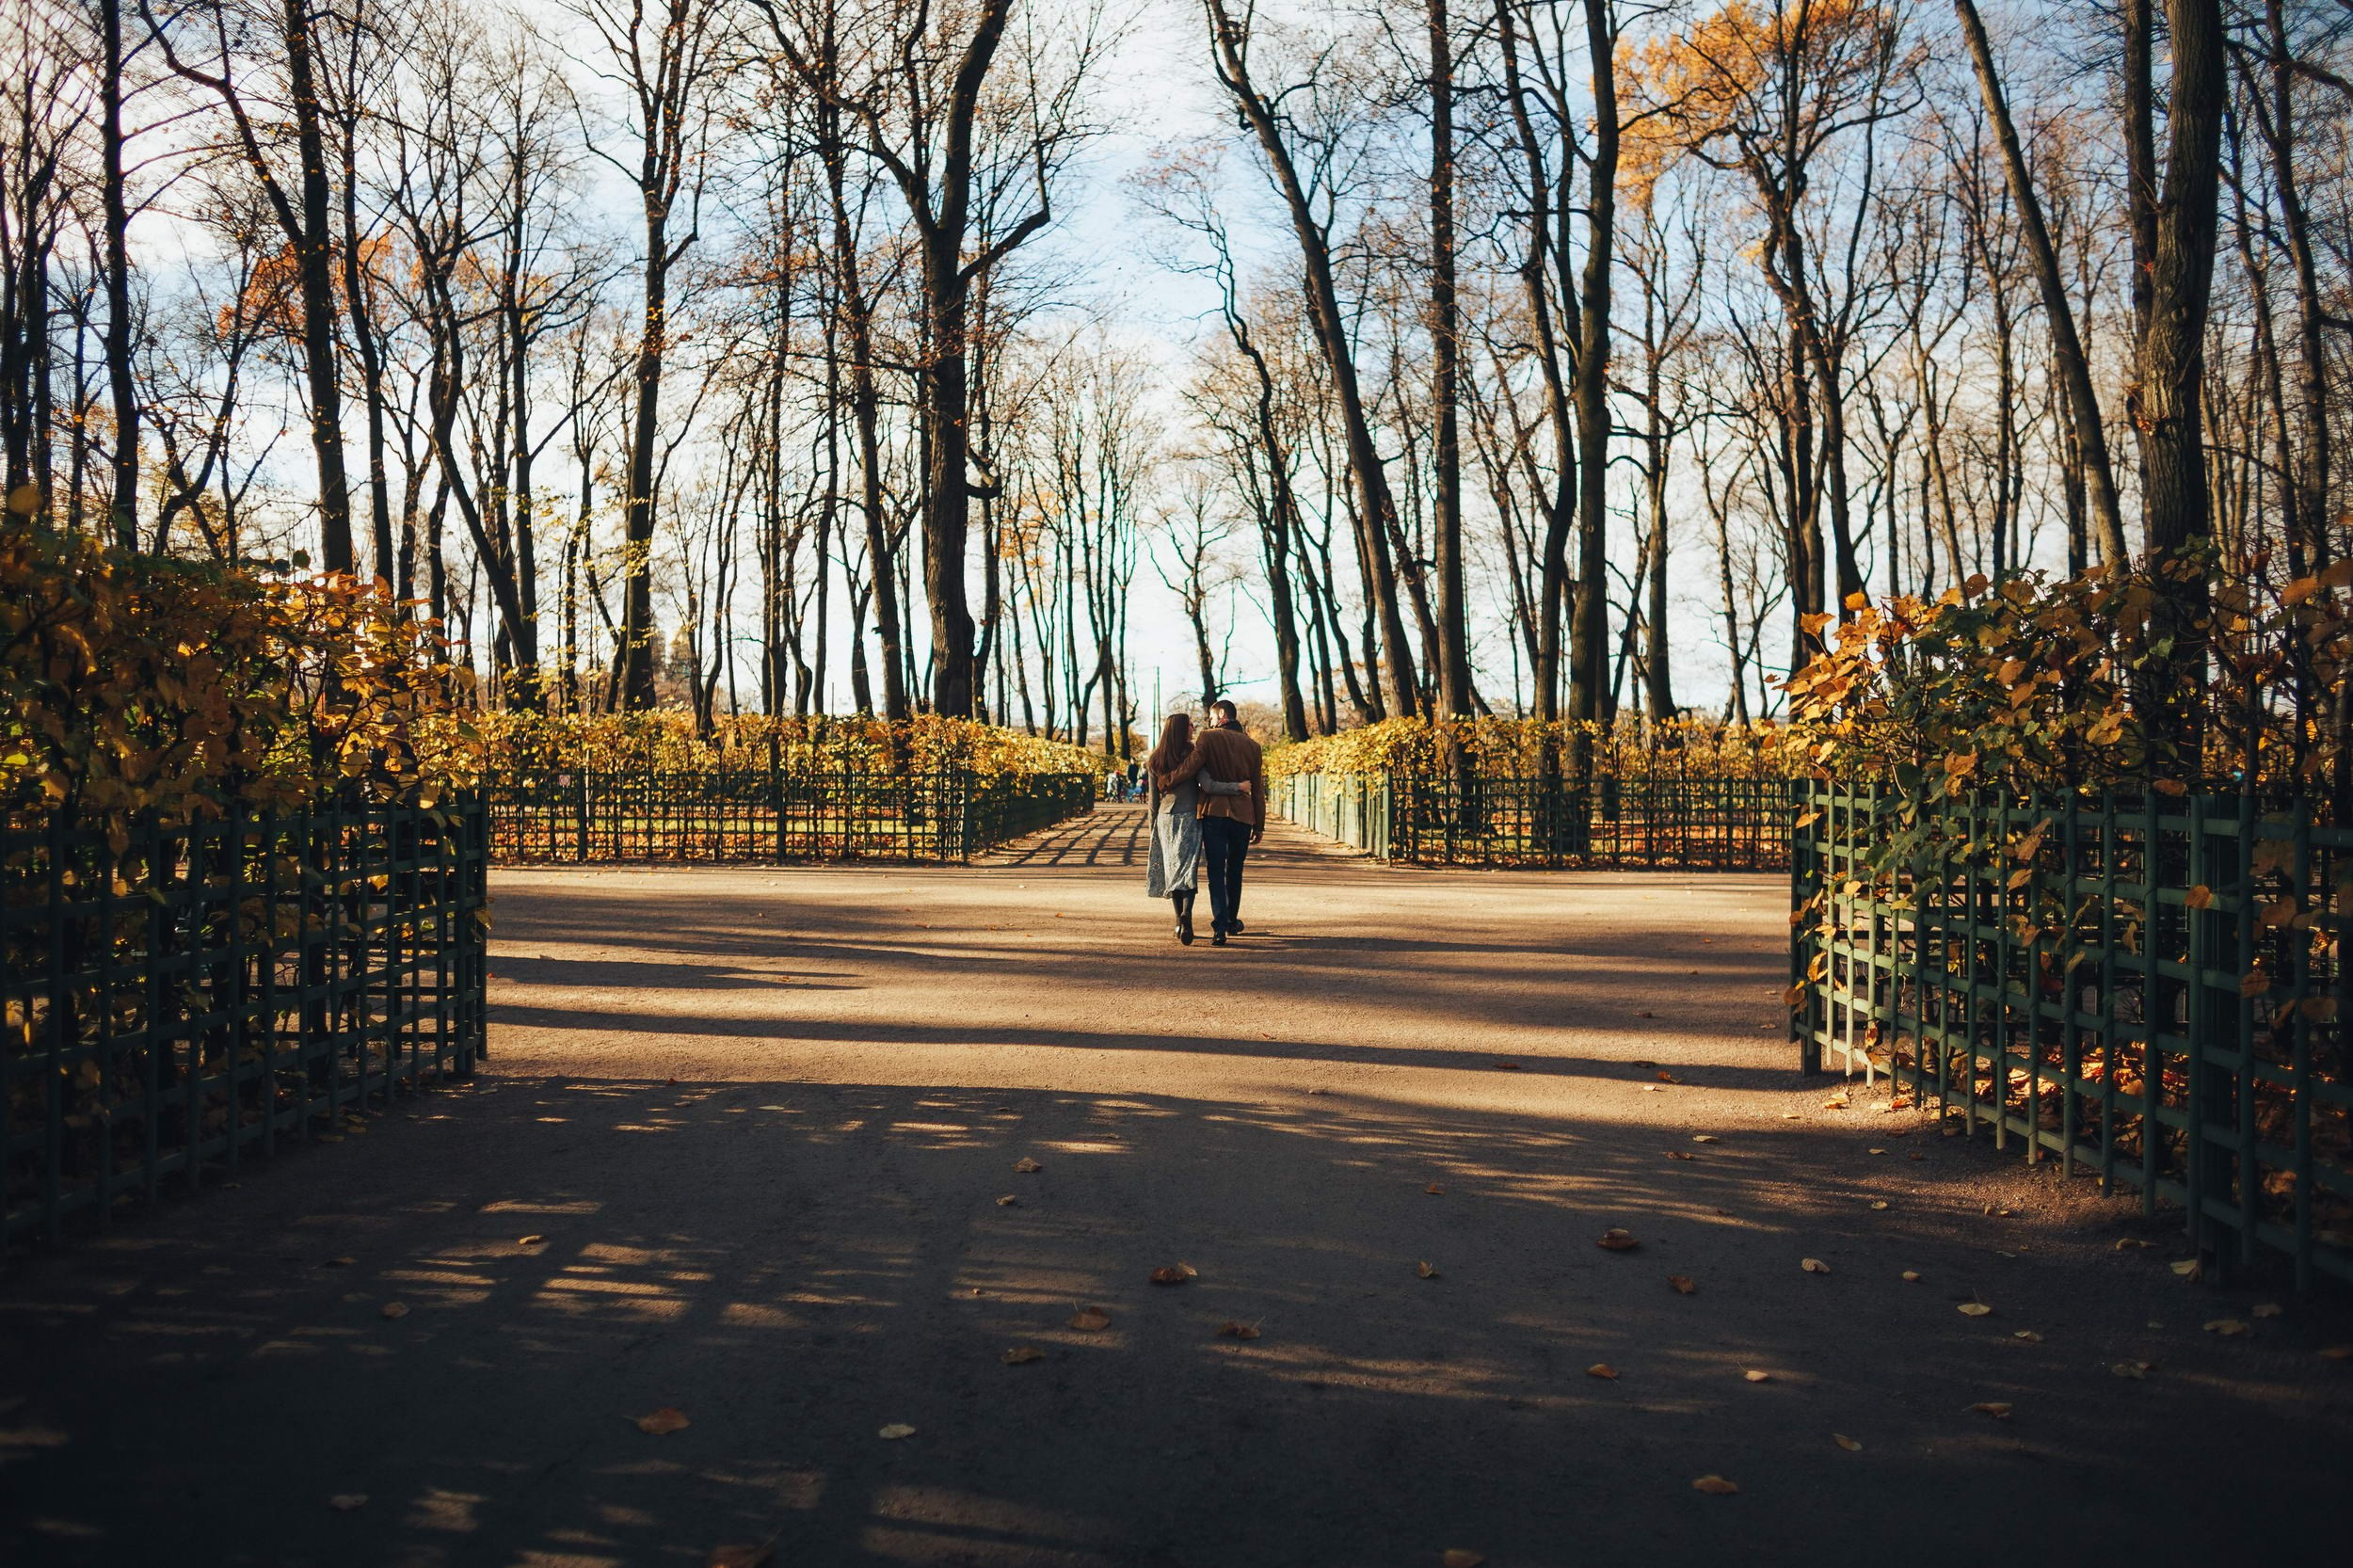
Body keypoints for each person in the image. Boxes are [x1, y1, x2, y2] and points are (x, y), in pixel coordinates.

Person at [1144, 712, 1247, 944]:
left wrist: (1154, 830)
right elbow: (1208, 785)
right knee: (1187, 870)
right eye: (1190, 724)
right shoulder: (1193, 755)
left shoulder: (1154, 759)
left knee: (1172, 871)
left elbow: (1152, 803)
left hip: (1165, 818)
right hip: (1191, 816)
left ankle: (1178, 922)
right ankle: (1186, 913)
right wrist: (1237, 787)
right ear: (1182, 730)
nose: (1193, 727)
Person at [1190, 697, 1265, 945]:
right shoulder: (1253, 746)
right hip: (1243, 816)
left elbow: (1192, 769)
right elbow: (1257, 789)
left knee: (1215, 870)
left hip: (1214, 812)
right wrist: (1259, 824)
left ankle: (1219, 926)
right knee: (1235, 870)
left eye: (1211, 718)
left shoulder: (1207, 738)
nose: (1209, 723)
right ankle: (1232, 921)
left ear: (1221, 714)